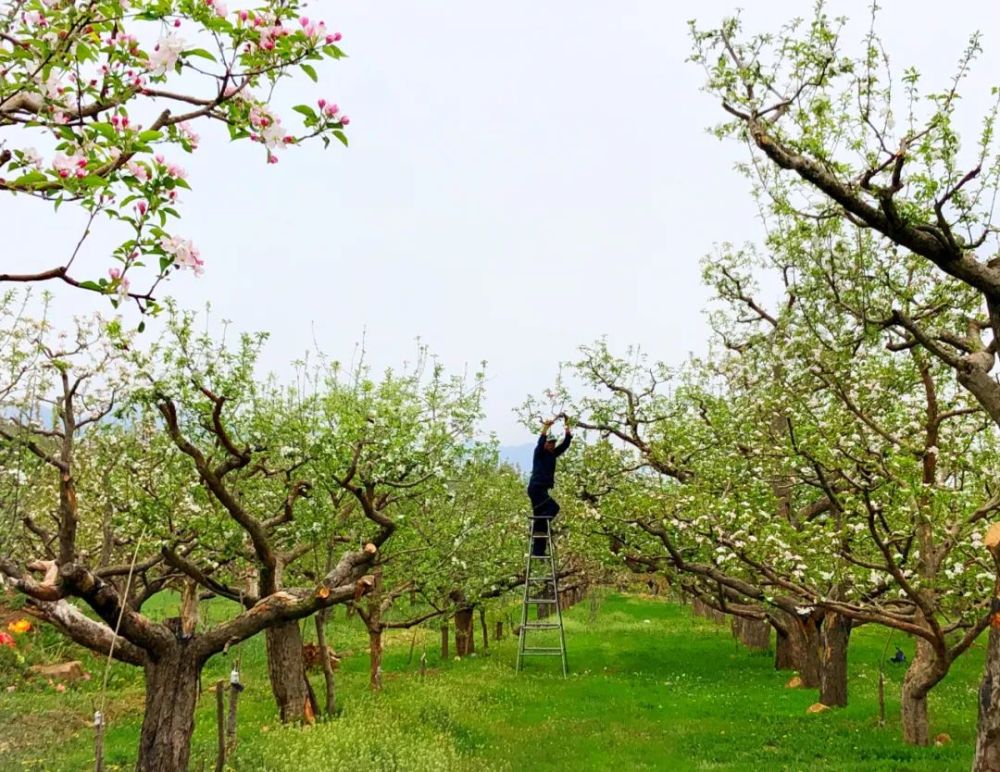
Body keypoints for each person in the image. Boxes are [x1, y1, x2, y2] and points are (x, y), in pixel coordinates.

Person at [527, 415, 572, 556]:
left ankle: (538, 551)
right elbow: (540, 443)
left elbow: (565, 445)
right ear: (546, 444)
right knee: (553, 507)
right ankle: (536, 526)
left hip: (541, 489)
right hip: (536, 488)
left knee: (542, 517)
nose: (552, 445)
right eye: (550, 443)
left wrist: (567, 428)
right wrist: (545, 427)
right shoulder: (539, 453)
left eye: (553, 443)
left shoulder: (552, 454)